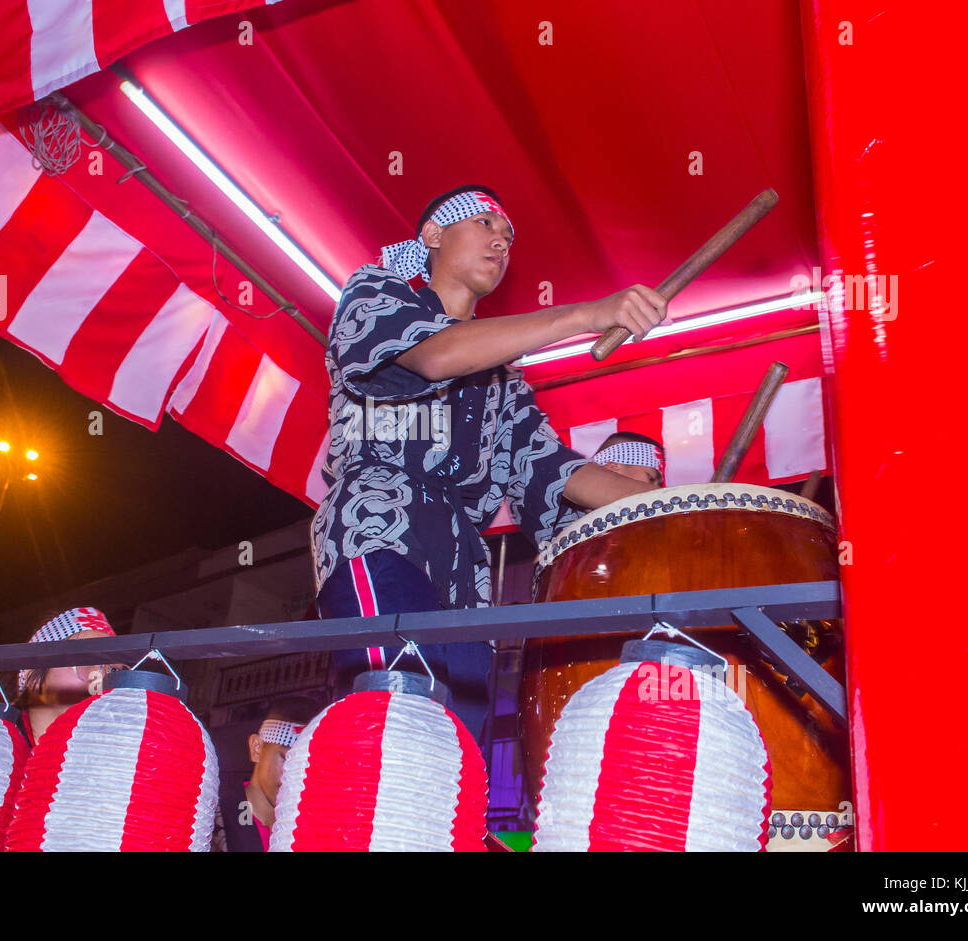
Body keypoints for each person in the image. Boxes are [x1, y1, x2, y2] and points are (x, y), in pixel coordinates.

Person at [311, 184, 670, 742]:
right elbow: (435, 356)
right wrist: (584, 315)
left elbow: (555, 469)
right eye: (486, 225)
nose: (501, 241)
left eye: (508, 237)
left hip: (466, 571)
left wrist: (680, 510)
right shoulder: (375, 293)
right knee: (394, 715)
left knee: (463, 749)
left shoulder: (506, 380)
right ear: (432, 235)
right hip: (379, 525)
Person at [211, 697, 318, 852]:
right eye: (286, 758)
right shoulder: (213, 817)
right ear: (257, 748)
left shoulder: (306, 830)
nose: (294, 776)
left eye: (306, 766)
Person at [12, 607, 125, 745]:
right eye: (87, 661)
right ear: (33, 675)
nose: (102, 679)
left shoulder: (116, 755)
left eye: (114, 671)